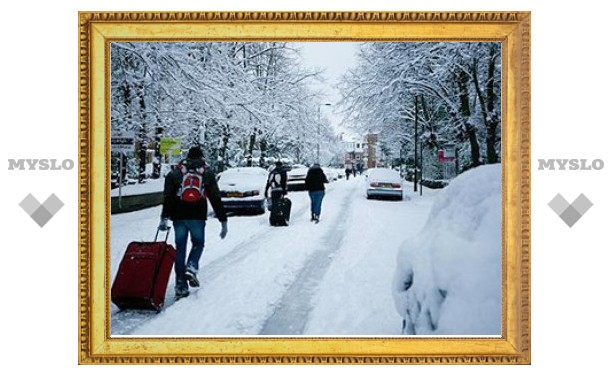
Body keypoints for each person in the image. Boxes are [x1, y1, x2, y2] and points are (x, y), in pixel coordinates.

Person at [158, 146, 228, 299]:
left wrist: (164, 218)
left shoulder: (175, 173)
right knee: (198, 244)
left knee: (180, 249)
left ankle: (181, 287)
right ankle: (192, 266)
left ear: (187, 157)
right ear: (201, 157)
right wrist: (223, 220)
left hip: (178, 217)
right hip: (197, 216)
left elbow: (168, 197)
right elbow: (215, 197)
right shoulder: (207, 173)